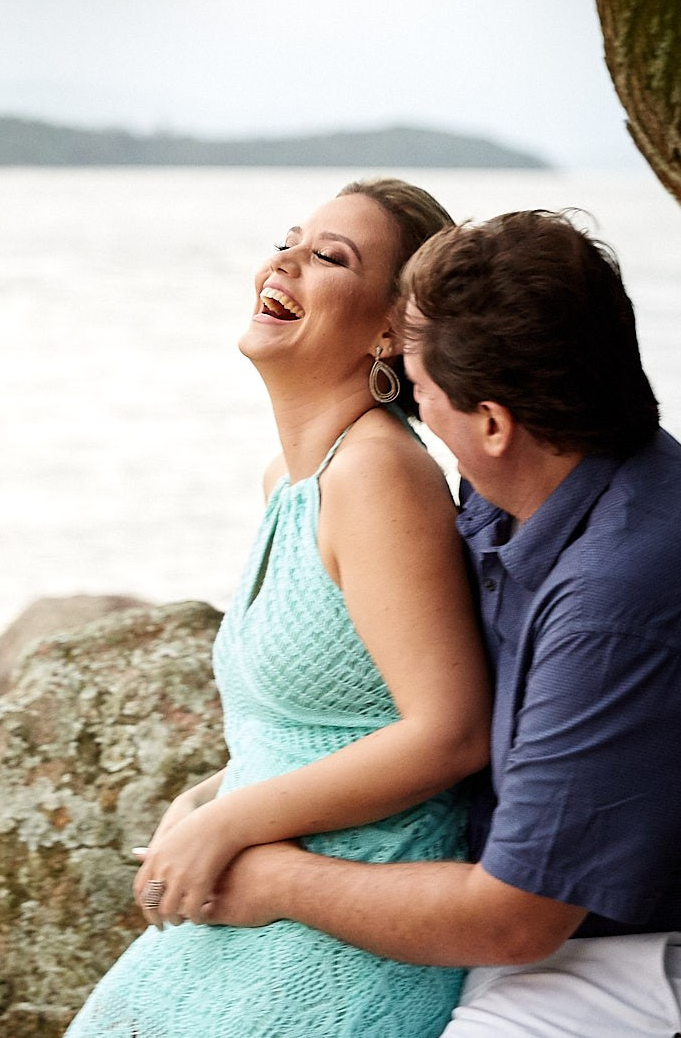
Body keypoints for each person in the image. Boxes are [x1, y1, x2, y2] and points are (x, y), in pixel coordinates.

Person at [207, 209, 681, 1037]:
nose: (414, 408)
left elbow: (513, 919)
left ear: (493, 423)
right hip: (571, 931)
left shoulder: (624, 597)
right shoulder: (532, 487)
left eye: (420, 384)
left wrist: (276, 881)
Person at [64, 179, 491, 1038]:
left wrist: (230, 821)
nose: (286, 260)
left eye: (329, 256)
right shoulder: (292, 480)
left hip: (353, 911)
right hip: (259, 890)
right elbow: (322, 723)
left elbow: (450, 731)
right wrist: (207, 796)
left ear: (389, 330)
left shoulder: (378, 473)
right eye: (288, 240)